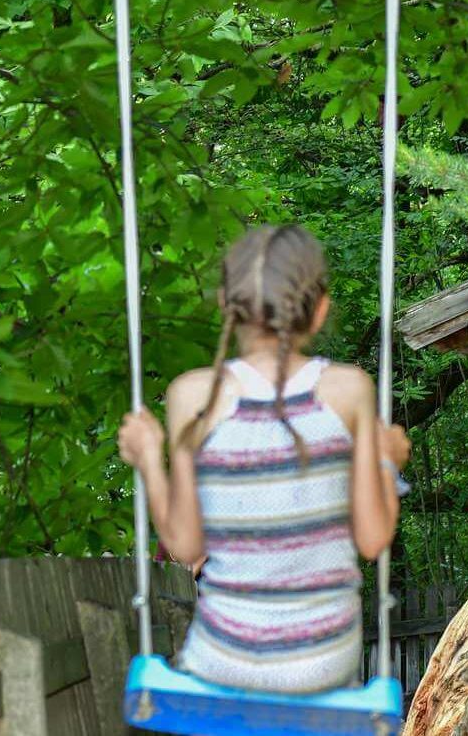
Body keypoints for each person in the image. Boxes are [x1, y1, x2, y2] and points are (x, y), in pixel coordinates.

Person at [117, 224, 411, 693]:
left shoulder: (192, 394)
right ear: (319, 311)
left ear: (225, 306)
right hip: (324, 659)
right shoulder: (348, 389)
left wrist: (150, 459)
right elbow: (373, 539)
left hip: (224, 657)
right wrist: (387, 463)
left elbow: (187, 549)